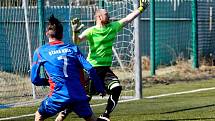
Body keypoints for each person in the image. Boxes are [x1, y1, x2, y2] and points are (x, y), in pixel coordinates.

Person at [70, 1, 149, 121]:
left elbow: (128, 19)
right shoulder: (91, 31)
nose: (109, 16)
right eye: (106, 14)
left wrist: (141, 8)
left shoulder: (112, 27)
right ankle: (64, 112)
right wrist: (75, 32)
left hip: (105, 69)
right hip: (91, 69)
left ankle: (105, 115)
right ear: (99, 17)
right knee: (85, 97)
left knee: (117, 88)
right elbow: (77, 41)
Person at [31, 15, 106, 121]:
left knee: (39, 115)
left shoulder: (40, 51)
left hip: (58, 95)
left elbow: (34, 79)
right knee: (92, 118)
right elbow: (90, 69)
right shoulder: (73, 48)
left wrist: (47, 81)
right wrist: (99, 87)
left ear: (47, 33)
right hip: (78, 94)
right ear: (62, 34)